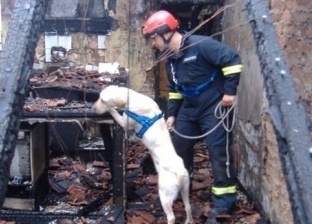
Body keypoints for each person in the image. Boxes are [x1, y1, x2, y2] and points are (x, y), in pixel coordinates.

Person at [142, 10, 243, 223]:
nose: (153, 43)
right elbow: (175, 89)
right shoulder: (170, 59)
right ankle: (181, 184)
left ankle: (224, 200)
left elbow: (233, 60)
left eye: (154, 37)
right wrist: (172, 115)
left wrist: (230, 92)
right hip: (189, 107)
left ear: (165, 33)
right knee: (178, 145)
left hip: (213, 104)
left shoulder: (200, 45)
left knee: (218, 149)